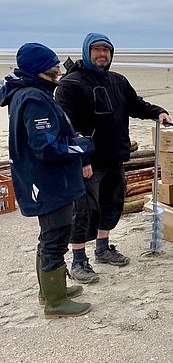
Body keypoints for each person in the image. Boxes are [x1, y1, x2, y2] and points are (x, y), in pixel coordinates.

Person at [55, 33, 172, 284]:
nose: (101, 55)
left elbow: (136, 105)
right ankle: (78, 260)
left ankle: (103, 248)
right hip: (87, 161)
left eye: (106, 50)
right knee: (84, 210)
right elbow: (67, 126)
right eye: (96, 50)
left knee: (112, 204)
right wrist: (83, 159)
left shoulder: (118, 81)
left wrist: (158, 112)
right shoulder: (70, 84)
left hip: (114, 157)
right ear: (87, 52)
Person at [0, 43, 95, 318]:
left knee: (50, 236)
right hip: (49, 182)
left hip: (46, 179)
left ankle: (50, 291)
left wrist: (70, 138)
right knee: (55, 237)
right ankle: (56, 302)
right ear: (39, 70)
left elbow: (48, 136)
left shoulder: (31, 92)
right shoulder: (33, 98)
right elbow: (46, 147)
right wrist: (81, 146)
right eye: (53, 66)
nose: (58, 69)